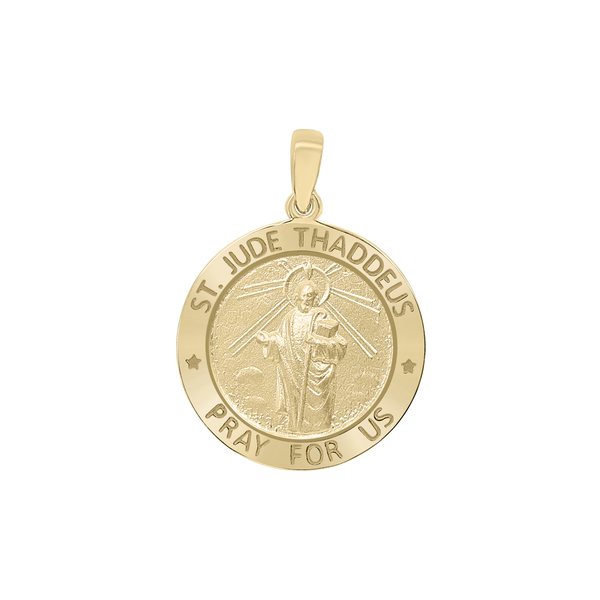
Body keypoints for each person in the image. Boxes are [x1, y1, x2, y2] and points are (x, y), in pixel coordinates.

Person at [256, 280, 347, 433]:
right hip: (294, 372)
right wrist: (268, 339)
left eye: (310, 296)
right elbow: (281, 341)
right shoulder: (289, 318)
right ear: (296, 297)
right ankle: (295, 431)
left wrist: (317, 341)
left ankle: (321, 433)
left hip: (317, 375)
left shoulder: (321, 316)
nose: (306, 300)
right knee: (295, 407)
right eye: (304, 296)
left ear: (315, 298)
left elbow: (340, 345)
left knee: (318, 415)